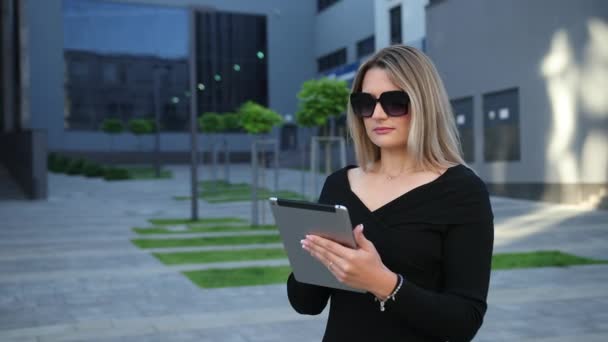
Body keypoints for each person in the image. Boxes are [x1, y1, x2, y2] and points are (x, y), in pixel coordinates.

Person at [286, 45, 494, 342]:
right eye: (365, 103)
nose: (377, 114)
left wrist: (383, 283)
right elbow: (306, 303)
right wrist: (312, 256)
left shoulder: (462, 191)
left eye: (395, 102)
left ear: (424, 104)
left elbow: (464, 322)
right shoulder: (338, 184)